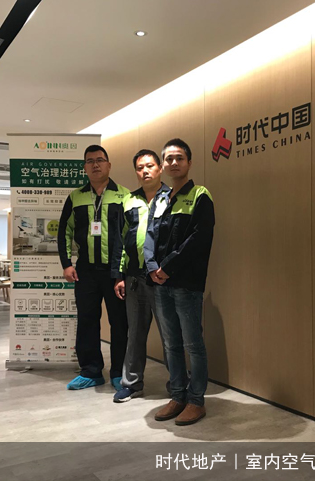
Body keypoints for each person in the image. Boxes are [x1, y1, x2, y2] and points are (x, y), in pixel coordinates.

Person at [144, 138, 215, 425]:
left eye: (179, 158)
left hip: (186, 283)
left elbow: (199, 238)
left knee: (192, 344)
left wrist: (168, 267)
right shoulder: (160, 199)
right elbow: (149, 236)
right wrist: (152, 268)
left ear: (189, 163)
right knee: (171, 343)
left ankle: (196, 400)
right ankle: (177, 395)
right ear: (163, 166)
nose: (174, 163)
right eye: (169, 159)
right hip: (160, 283)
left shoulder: (200, 195)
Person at [57, 144, 129, 390]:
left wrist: (122, 272)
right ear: (84, 168)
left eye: (100, 160)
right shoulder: (75, 197)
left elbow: (130, 235)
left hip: (115, 272)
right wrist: (66, 264)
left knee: (120, 323)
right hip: (85, 271)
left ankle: (119, 372)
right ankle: (91, 371)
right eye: (90, 161)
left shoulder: (124, 196)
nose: (95, 164)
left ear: (109, 165)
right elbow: (64, 231)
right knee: (87, 320)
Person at [111, 149, 170, 403]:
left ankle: (178, 384)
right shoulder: (128, 200)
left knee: (170, 335)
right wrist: (119, 276)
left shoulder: (172, 197)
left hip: (164, 279)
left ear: (160, 168)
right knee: (134, 334)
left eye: (149, 166)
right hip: (134, 279)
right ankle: (132, 384)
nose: (144, 171)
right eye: (139, 167)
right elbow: (120, 241)